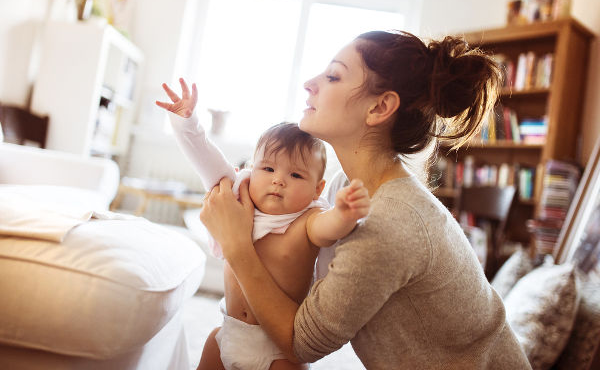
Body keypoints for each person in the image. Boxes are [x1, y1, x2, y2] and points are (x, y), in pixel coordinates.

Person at [199, 30, 533, 369]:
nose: (310, 84)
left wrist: (236, 245)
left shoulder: (388, 220)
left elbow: (301, 344)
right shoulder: (349, 187)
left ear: (379, 107)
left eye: (333, 76)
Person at [156, 79, 371, 370]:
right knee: (210, 345)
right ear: (251, 169)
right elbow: (207, 159)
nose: (278, 180)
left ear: (317, 189)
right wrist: (187, 123)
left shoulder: (308, 220)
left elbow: (328, 229)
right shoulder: (240, 196)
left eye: (296, 175)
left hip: (278, 351)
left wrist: (344, 213)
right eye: (268, 168)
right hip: (229, 334)